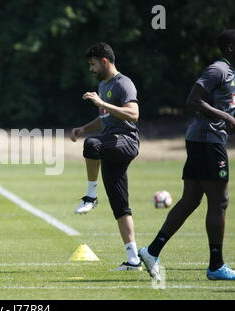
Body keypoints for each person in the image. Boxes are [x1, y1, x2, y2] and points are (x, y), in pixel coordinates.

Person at [139, 30, 235, 281]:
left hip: (202, 140)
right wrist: (225, 117)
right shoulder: (218, 70)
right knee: (220, 201)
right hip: (206, 141)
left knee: (191, 200)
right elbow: (193, 99)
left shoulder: (230, 73)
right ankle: (216, 265)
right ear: (230, 48)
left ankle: (152, 251)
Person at [71, 42, 141, 271]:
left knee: (92, 145)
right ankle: (133, 260)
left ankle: (90, 196)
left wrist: (101, 103)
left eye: (92, 64)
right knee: (120, 206)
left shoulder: (124, 83)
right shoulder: (103, 85)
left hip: (126, 142)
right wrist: (83, 129)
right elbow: (104, 119)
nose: (90, 69)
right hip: (111, 144)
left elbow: (133, 114)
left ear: (104, 61)